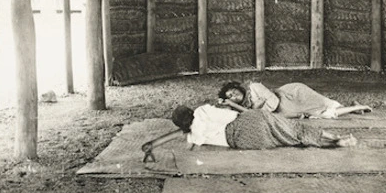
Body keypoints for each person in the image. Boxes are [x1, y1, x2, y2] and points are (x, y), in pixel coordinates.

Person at [141, 103, 357, 158]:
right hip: (249, 119)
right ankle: (334, 138)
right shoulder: (203, 110)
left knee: (288, 139)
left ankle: (334, 142)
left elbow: (188, 145)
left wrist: (153, 144)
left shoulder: (195, 133)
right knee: (294, 128)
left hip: (246, 139)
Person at [217, 80, 372, 119]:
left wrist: (259, 111)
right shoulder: (242, 107)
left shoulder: (254, 87)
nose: (234, 96)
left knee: (325, 106)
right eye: (230, 97)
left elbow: (273, 101)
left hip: (292, 95)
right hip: (289, 110)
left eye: (233, 92)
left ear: (238, 88)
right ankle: (355, 107)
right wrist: (230, 105)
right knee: (322, 114)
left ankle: (358, 107)